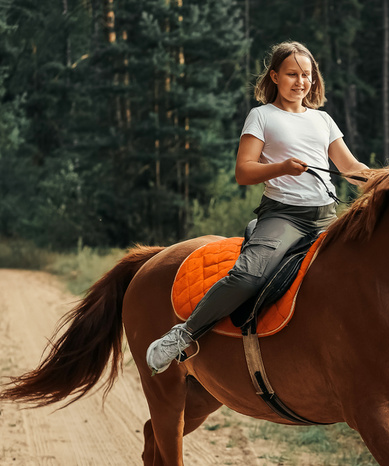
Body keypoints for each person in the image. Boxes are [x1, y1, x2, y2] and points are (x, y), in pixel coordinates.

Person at [147, 41, 368, 374]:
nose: (300, 82)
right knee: (249, 275)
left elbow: (351, 169)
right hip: (283, 216)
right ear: (275, 76)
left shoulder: (323, 120)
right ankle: (184, 334)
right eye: (292, 74)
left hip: (326, 217)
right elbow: (243, 171)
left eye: (306, 75)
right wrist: (281, 167)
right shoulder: (262, 116)